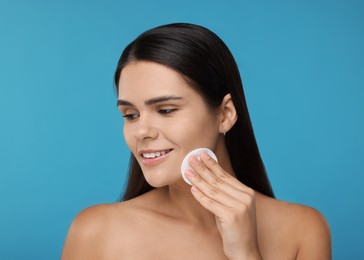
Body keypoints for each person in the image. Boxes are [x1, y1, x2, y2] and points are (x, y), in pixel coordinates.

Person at [62, 23, 331, 259]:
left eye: (166, 110)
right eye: (130, 115)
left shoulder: (303, 230)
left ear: (225, 114)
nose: (141, 131)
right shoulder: (95, 231)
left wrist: (246, 254)